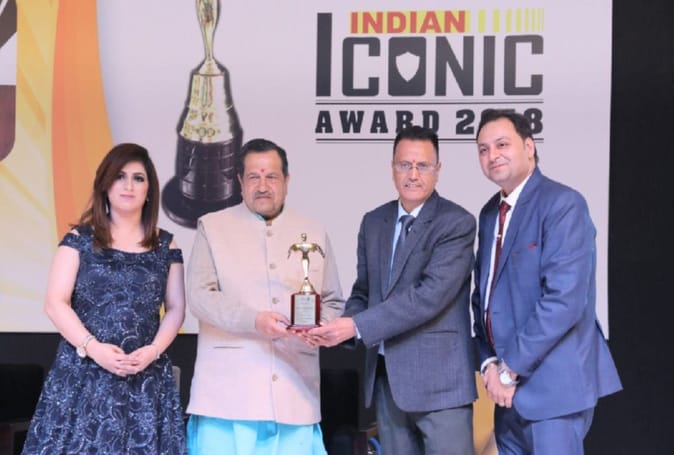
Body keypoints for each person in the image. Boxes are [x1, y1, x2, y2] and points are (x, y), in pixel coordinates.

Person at [308, 126, 477, 455]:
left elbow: (427, 297)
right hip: (388, 381)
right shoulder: (374, 222)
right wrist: (338, 328)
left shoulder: (456, 223)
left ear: (438, 170)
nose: (413, 175)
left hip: (441, 385)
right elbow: (364, 292)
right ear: (392, 168)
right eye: (404, 165)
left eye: (422, 166)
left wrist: (355, 326)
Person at [471, 109, 622, 454]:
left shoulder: (563, 204)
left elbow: (564, 301)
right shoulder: (490, 214)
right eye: (483, 149)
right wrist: (489, 363)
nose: (492, 155)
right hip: (506, 397)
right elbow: (483, 299)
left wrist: (509, 370)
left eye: (502, 144)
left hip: (553, 390)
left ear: (529, 147)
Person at [22, 143, 187, 454]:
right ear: (104, 184)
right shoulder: (79, 240)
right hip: (83, 374)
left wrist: (152, 352)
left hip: (144, 377)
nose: (128, 186)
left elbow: (176, 308)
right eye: (119, 176)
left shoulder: (166, 245)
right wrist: (93, 348)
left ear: (149, 190)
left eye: (138, 178)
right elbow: (55, 303)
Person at [185, 138, 344, 454]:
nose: (262, 186)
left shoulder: (312, 230)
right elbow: (200, 296)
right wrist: (254, 321)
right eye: (253, 177)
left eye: (271, 176)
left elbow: (332, 300)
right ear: (240, 182)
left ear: (286, 181)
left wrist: (319, 327)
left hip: (294, 391)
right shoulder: (213, 227)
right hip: (226, 397)